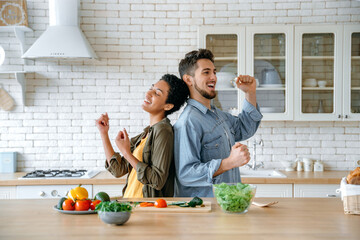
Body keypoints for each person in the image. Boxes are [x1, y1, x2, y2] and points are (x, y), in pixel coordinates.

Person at [174, 49, 263, 197]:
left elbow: (245, 129)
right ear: (188, 79)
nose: (214, 77)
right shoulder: (188, 122)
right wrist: (229, 162)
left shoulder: (217, 115)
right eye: (206, 72)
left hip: (227, 204)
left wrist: (250, 93)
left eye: (214, 72)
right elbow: (186, 174)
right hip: (206, 212)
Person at [96, 74, 189, 198]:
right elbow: (118, 170)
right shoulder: (147, 133)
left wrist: (126, 153)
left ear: (168, 106)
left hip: (145, 209)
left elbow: (157, 180)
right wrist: (104, 133)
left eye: (157, 93)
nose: (148, 93)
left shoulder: (163, 131)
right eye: (152, 88)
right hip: (130, 205)